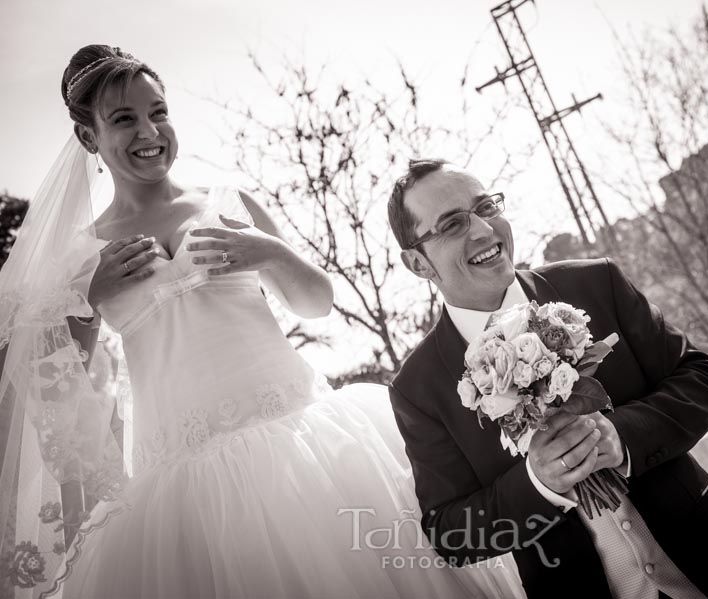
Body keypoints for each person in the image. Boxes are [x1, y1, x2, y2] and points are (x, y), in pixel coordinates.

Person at [0, 46, 525, 599]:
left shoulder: (230, 203)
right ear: (89, 138)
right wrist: (87, 297)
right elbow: (62, 391)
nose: (149, 130)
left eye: (158, 111)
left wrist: (268, 253)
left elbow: (316, 302)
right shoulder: (85, 258)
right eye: (124, 118)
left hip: (304, 440)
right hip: (181, 479)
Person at [386, 159, 708, 599]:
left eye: (487, 207)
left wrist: (621, 436)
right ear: (418, 262)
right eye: (453, 224)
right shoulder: (418, 388)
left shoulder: (595, 283)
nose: (483, 230)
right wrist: (538, 484)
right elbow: (452, 532)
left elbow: (704, 380)